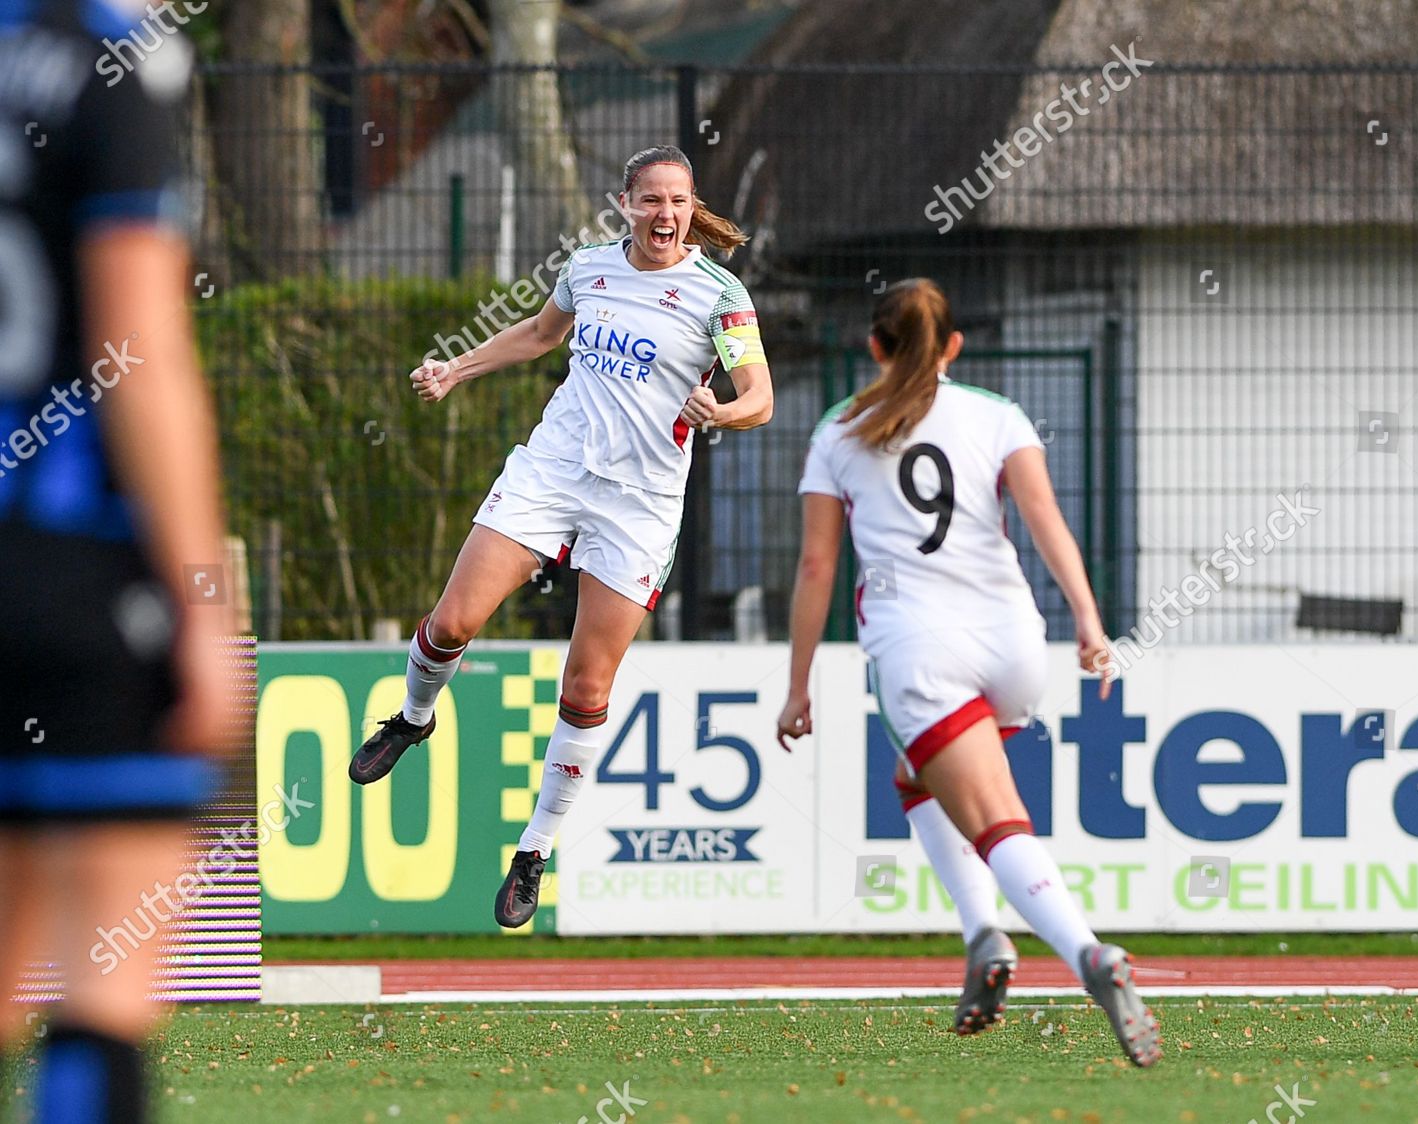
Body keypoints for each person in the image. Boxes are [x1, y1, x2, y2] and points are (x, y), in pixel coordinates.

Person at [348, 145, 774, 931]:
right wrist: (455, 370)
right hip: (553, 472)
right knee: (451, 624)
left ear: (692, 207)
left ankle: (534, 848)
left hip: (639, 507)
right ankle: (412, 716)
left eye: (678, 202)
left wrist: (725, 412)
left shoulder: (719, 296)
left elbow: (760, 396)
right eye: (650, 201)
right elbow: (542, 335)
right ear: (624, 205)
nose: (666, 216)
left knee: (586, 690)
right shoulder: (587, 268)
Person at [776, 278, 1161, 1066]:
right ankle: (984, 938)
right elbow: (1048, 524)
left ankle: (1088, 954)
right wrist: (1088, 624)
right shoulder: (997, 415)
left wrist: (798, 684)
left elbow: (817, 567)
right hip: (1017, 642)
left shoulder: (840, 430)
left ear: (875, 347)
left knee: (994, 818)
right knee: (917, 779)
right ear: (955, 345)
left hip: (921, 650)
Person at [0, 1, 239, 1119]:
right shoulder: (107, 56)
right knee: (106, 969)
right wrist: (199, 595)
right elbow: (136, 351)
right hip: (68, 566)